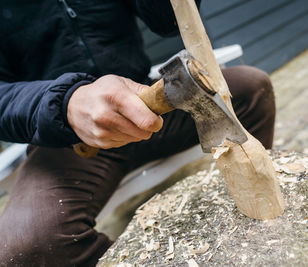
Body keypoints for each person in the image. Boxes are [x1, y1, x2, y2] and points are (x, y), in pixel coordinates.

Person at [0, 1, 276, 266]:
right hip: (66, 138)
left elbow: (168, 20)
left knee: (251, 88)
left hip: (150, 109)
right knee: (23, 248)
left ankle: (255, 208)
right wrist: (63, 104)